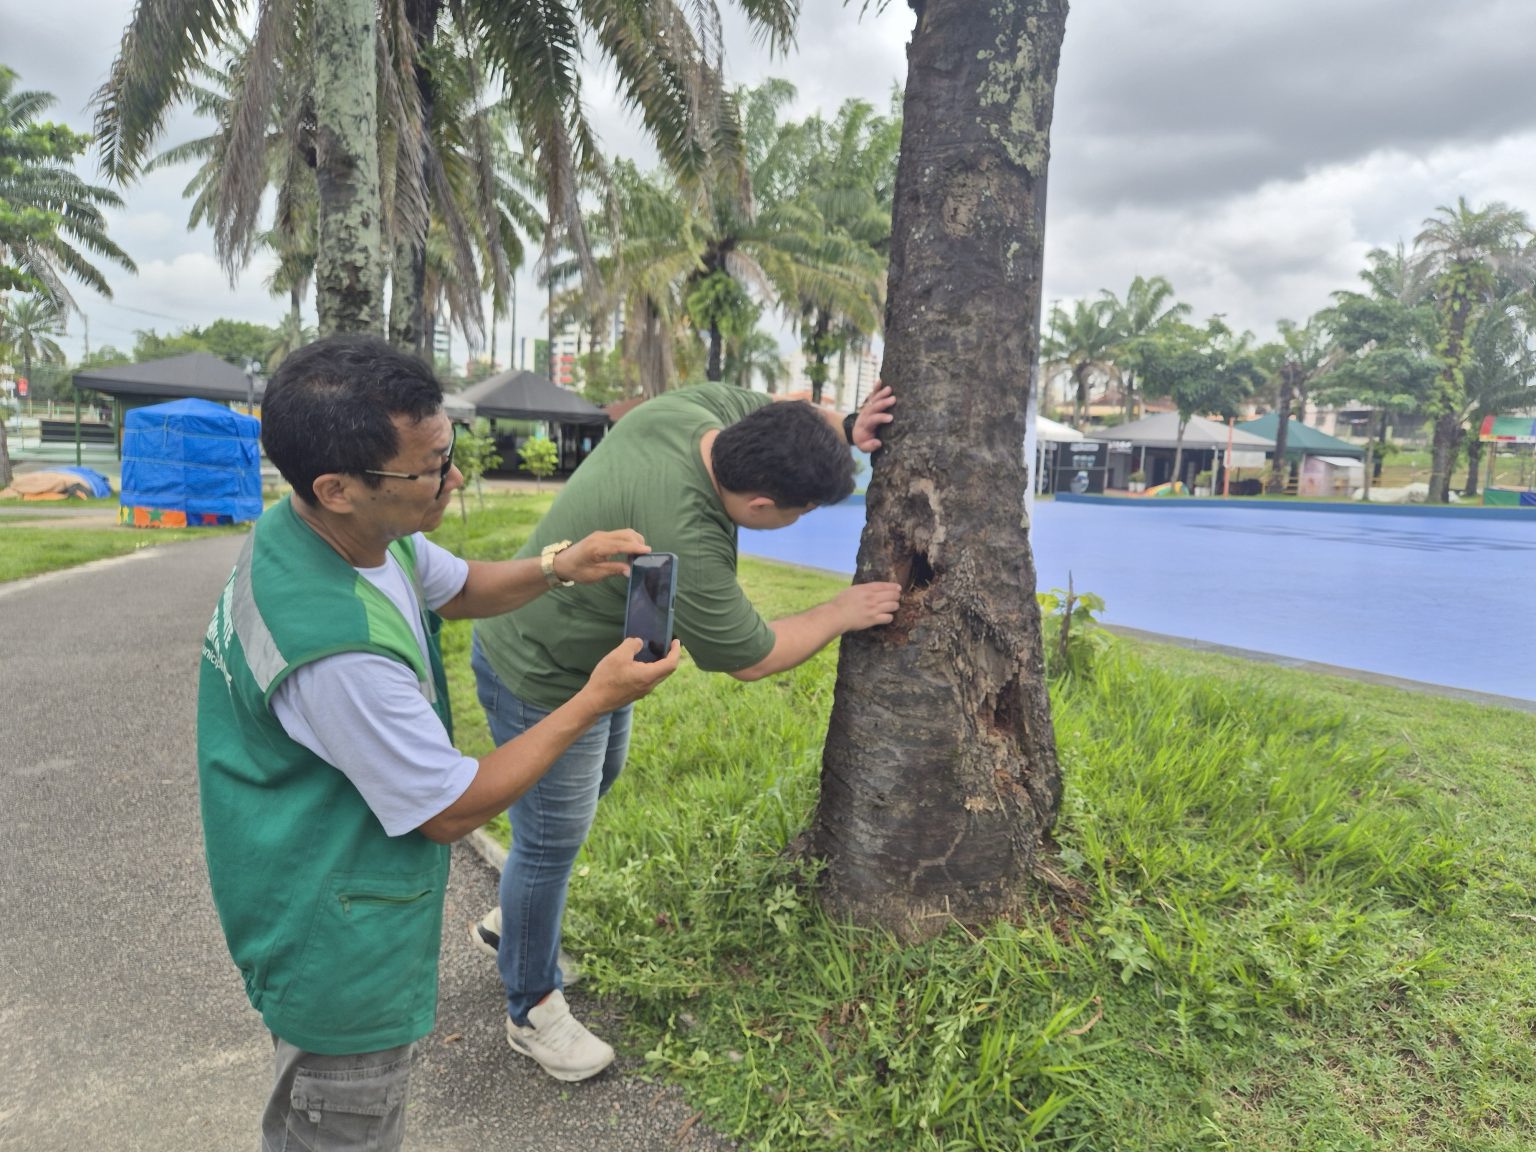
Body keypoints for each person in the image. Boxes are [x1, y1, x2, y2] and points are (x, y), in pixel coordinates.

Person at [195, 334, 678, 1150]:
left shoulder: (336, 532)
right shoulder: (335, 647)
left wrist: (560, 563)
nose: (452, 480)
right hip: (334, 937)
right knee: (343, 1121)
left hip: (323, 868)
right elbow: (452, 810)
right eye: (429, 470)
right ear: (337, 486)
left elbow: (456, 585)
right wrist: (594, 698)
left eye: (448, 453)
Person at [467, 380, 902, 1082]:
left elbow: (779, 409)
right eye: (797, 513)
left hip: (597, 663)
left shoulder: (693, 413)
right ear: (760, 507)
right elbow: (753, 657)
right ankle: (530, 1006)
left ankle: (513, 923)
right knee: (549, 842)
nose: (795, 521)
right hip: (542, 672)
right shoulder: (689, 540)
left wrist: (844, 428)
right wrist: (841, 610)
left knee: (588, 789)